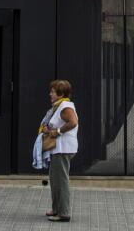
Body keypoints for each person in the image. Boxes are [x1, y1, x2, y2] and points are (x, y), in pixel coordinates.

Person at [37, 80, 79, 222]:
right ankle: (56, 209)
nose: (50, 94)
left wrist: (58, 131)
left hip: (63, 149)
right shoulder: (59, 106)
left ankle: (64, 213)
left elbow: (73, 122)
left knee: (61, 181)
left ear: (60, 94)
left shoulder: (65, 107)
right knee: (55, 180)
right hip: (58, 149)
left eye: (53, 92)